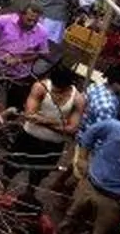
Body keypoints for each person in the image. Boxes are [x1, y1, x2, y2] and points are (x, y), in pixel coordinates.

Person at [5, 66, 85, 205]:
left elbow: (72, 129)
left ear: (68, 87)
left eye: (60, 89)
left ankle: (28, 197)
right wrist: (60, 122)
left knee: (39, 175)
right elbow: (30, 115)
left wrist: (44, 120)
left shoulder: (78, 99)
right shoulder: (41, 87)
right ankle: (1, 190)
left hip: (52, 145)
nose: (55, 90)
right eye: (54, 87)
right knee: (11, 166)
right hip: (28, 138)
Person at [79, 65, 120, 135]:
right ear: (116, 84)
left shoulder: (95, 86)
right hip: (85, 136)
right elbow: (101, 132)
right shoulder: (107, 106)